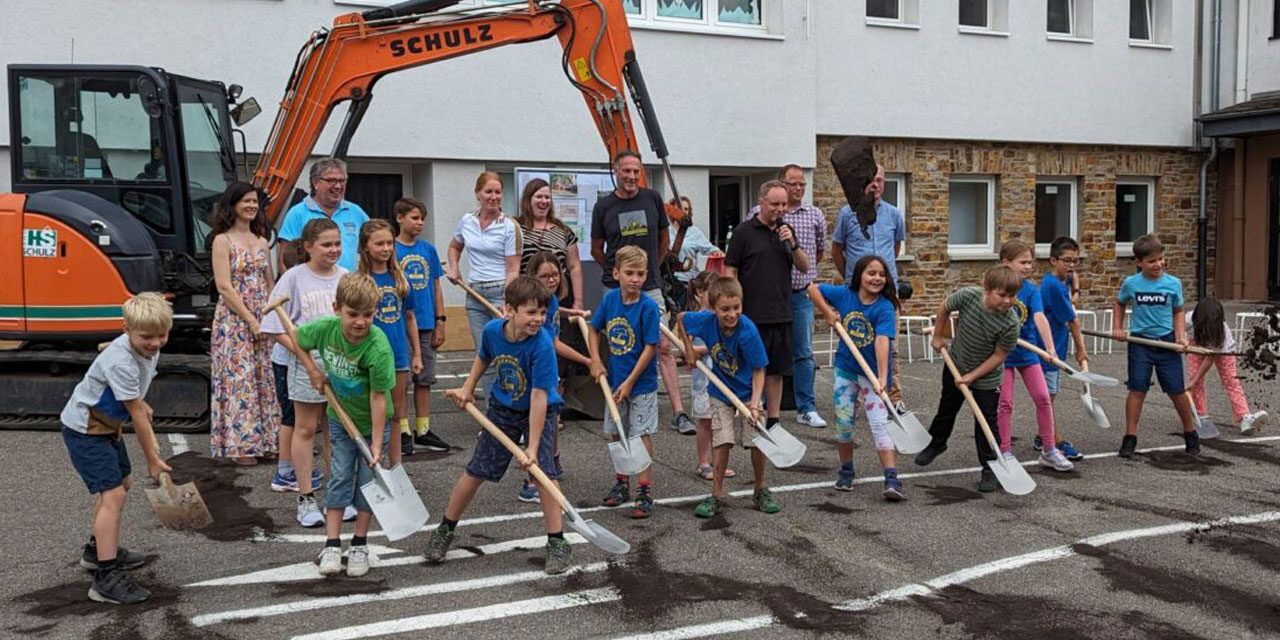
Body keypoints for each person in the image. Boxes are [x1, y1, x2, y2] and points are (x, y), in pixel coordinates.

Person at [427, 276, 572, 575]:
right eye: (531, 312)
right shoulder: (494, 331)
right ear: (509, 310)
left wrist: (532, 448)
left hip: (540, 411)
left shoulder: (542, 346)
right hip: (503, 408)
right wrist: (468, 388)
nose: (538, 319)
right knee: (476, 470)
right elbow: (483, 357)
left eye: (542, 312)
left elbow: (539, 397)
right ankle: (445, 528)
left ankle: (557, 540)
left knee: (544, 475)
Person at [61, 293, 172, 605]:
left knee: (122, 483)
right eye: (146, 337)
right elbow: (136, 415)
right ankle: (105, 577)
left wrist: (139, 400)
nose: (155, 343)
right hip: (85, 430)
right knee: (114, 495)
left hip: (106, 426)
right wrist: (153, 460)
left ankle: (96, 551)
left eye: (161, 335)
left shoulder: (144, 348)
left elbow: (134, 396)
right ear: (127, 330)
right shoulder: (121, 361)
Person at [291, 273, 396, 578]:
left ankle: (360, 544)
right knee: (339, 477)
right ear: (337, 308)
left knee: (367, 483)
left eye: (368, 315)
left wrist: (376, 443)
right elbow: (298, 339)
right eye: (353, 314)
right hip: (340, 419)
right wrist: (313, 371)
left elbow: (378, 397)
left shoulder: (378, 347)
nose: (360, 322)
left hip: (372, 425)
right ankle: (332, 544)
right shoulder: (325, 329)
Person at [590, 151, 693, 435]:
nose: (632, 176)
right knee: (620, 343)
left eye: (636, 171)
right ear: (616, 171)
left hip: (650, 286)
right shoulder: (604, 207)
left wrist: (651, 270)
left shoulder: (652, 199)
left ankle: (679, 411)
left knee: (663, 345)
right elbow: (596, 248)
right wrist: (618, 274)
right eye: (627, 171)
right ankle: (620, 400)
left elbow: (664, 237)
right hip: (615, 288)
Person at [260, 218, 345, 527]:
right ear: (308, 247)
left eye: (337, 243)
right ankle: (306, 498)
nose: (334, 249)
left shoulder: (345, 277)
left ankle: (338, 494)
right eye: (326, 244)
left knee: (336, 430)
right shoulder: (294, 278)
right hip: (301, 361)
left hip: (339, 362)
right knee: (305, 428)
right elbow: (273, 327)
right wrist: (305, 355)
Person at [914, 266, 1021, 493]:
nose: (1007, 301)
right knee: (947, 408)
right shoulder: (969, 296)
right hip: (956, 364)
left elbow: (999, 356)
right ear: (987, 290)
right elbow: (944, 307)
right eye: (1002, 295)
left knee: (986, 423)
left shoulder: (1011, 323)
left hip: (987, 378)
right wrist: (938, 336)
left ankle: (990, 467)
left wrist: (972, 376)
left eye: (1012, 296)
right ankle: (937, 443)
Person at [678, 277, 779, 518]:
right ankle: (716, 494)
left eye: (736, 307)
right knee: (722, 440)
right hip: (721, 390)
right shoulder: (705, 321)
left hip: (749, 392)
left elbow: (759, 370)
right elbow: (681, 318)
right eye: (725, 309)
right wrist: (688, 349)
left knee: (756, 440)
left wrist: (755, 405)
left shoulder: (748, 331)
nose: (732, 314)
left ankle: (760, 489)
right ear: (713, 308)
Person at [808, 255, 904, 500]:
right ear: (859, 275)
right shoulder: (845, 295)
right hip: (847, 370)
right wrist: (828, 312)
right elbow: (812, 288)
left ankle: (891, 478)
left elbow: (882, 342)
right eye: (871, 273)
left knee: (879, 424)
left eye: (881, 274)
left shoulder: (884, 307)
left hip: (873, 376)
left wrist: (882, 378)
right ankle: (846, 470)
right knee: (844, 423)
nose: (877, 278)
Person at [724, 180, 809, 432]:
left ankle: (774, 420)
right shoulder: (743, 232)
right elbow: (730, 269)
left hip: (781, 312)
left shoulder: (786, 231)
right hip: (752, 314)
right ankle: (750, 412)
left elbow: (804, 267)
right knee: (751, 367)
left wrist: (793, 244)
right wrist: (734, 304)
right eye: (775, 204)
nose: (780, 209)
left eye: (783, 204)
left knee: (776, 370)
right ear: (761, 202)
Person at [747, 165, 826, 428]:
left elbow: (817, 253)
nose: (799, 188)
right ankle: (758, 405)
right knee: (762, 352)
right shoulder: (757, 214)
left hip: (799, 295)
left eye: (802, 184)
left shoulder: (814, 215)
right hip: (766, 298)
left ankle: (806, 408)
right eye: (794, 184)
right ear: (781, 184)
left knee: (803, 353)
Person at [586, 246, 662, 518]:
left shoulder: (648, 307)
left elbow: (650, 347)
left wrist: (630, 382)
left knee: (640, 435)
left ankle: (644, 488)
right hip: (615, 382)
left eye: (640, 273)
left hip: (641, 385)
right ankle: (622, 482)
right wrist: (596, 361)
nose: (635, 279)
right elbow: (594, 329)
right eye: (629, 273)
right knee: (618, 431)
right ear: (616, 273)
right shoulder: (610, 301)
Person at [209, 182, 280, 464]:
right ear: (233, 205)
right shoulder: (222, 241)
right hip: (234, 321)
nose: (251, 206)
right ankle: (242, 445)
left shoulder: (262, 241)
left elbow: (270, 281)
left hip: (263, 317)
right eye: (245, 201)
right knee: (240, 380)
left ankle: (269, 441)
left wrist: (271, 316)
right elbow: (224, 287)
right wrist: (251, 320)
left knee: (265, 378)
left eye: (254, 201)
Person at [1112, 234, 1201, 458]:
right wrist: (1117, 328)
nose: (1158, 264)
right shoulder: (1132, 283)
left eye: (1161, 259)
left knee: (1176, 390)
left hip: (1166, 342)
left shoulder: (1173, 284)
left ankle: (1190, 433)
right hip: (1140, 344)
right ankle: (1130, 437)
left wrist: (1181, 337)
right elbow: (1119, 303)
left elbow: (1178, 311)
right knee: (1137, 389)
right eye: (1152, 261)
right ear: (1139, 262)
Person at [517, 251, 593, 503]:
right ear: (533, 277)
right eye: (545, 276)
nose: (552, 280)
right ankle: (532, 481)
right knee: (539, 424)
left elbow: (553, 309)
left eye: (555, 274)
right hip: (537, 369)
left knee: (553, 417)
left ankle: (553, 461)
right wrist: (587, 360)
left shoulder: (548, 301)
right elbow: (555, 343)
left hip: (549, 367)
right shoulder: (535, 309)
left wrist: (570, 312)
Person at [831, 165, 908, 412]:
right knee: (855, 342)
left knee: (890, 346)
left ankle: (893, 397)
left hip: (886, 292)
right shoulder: (847, 214)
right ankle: (854, 396)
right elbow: (837, 250)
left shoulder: (894, 214)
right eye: (871, 180)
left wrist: (881, 277)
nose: (876, 185)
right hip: (856, 293)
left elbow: (895, 249)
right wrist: (852, 278)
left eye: (880, 180)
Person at [994, 240, 1073, 472]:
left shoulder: (1031, 290)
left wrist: (1050, 349)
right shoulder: (996, 289)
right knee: (1005, 403)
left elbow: (1039, 317)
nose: (1028, 267)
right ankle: (1004, 451)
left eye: (1030, 262)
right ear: (1006, 263)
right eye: (1023, 262)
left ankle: (1049, 450)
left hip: (1028, 352)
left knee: (1043, 397)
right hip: (1002, 355)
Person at [448, 171, 521, 398]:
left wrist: (507, 302)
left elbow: (513, 269)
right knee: (484, 354)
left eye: (498, 192)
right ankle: (492, 410)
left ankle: (511, 404)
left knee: (505, 354)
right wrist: (454, 267)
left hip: (500, 293)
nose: (493, 196)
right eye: (488, 191)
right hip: (474, 293)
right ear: (478, 194)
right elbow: (454, 247)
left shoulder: (509, 226)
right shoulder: (467, 221)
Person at [357, 219, 422, 463]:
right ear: (365, 246)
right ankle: (371, 464)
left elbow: (409, 318)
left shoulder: (401, 279)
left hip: (398, 356)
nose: (385, 248)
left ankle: (396, 468)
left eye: (389, 243)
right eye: (379, 244)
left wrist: (417, 354)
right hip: (367, 358)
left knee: (396, 414)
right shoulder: (359, 281)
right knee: (369, 415)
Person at [395, 198, 450, 453]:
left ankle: (423, 429)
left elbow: (436, 287)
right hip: (401, 324)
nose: (420, 223)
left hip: (426, 323)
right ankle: (403, 429)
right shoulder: (391, 249)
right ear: (400, 218)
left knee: (424, 378)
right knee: (402, 379)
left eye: (422, 219)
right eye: (415, 218)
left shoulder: (428, 249)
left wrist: (441, 321)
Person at [1039, 236, 1090, 460]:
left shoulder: (1062, 281)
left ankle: (1042, 435)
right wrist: (1081, 350)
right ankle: (1054, 442)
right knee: (1047, 398)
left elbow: (1072, 302)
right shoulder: (1052, 286)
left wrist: (1074, 284)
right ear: (1053, 261)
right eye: (1066, 261)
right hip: (1046, 349)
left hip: (1057, 345)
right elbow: (1073, 320)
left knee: (1050, 394)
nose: (1071, 265)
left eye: (1075, 261)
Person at [1187, 298, 1268, 433]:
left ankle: (1244, 417)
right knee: (1195, 381)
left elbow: (1209, 359)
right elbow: (1176, 329)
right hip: (1196, 341)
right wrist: (1181, 340)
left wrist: (1193, 381)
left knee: (1231, 381)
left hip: (1222, 349)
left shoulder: (1222, 334)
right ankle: (1201, 417)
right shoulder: (1188, 319)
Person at [278, 158, 370, 273]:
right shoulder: (297, 213)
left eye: (342, 181)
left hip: (349, 283)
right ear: (315, 182)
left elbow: (373, 246)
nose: (338, 186)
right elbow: (284, 261)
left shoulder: (355, 212)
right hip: (312, 283)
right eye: (331, 180)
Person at [686, 271, 736, 481]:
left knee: (720, 421)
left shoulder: (720, 317)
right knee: (705, 422)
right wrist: (694, 350)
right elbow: (686, 344)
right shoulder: (697, 318)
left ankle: (718, 462)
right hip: (703, 380)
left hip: (721, 377)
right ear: (700, 292)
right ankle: (703, 463)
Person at [517, 178, 584, 309]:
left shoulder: (563, 231)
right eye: (539, 197)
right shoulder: (515, 228)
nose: (544, 201)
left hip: (559, 297)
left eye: (547, 197)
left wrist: (578, 301)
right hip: (525, 296)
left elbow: (574, 266)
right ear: (528, 200)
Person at [668, 197, 721, 311]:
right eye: (679, 208)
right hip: (669, 281)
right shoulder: (665, 231)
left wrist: (716, 252)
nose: (683, 211)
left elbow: (710, 248)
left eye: (686, 209)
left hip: (688, 282)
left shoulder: (694, 232)